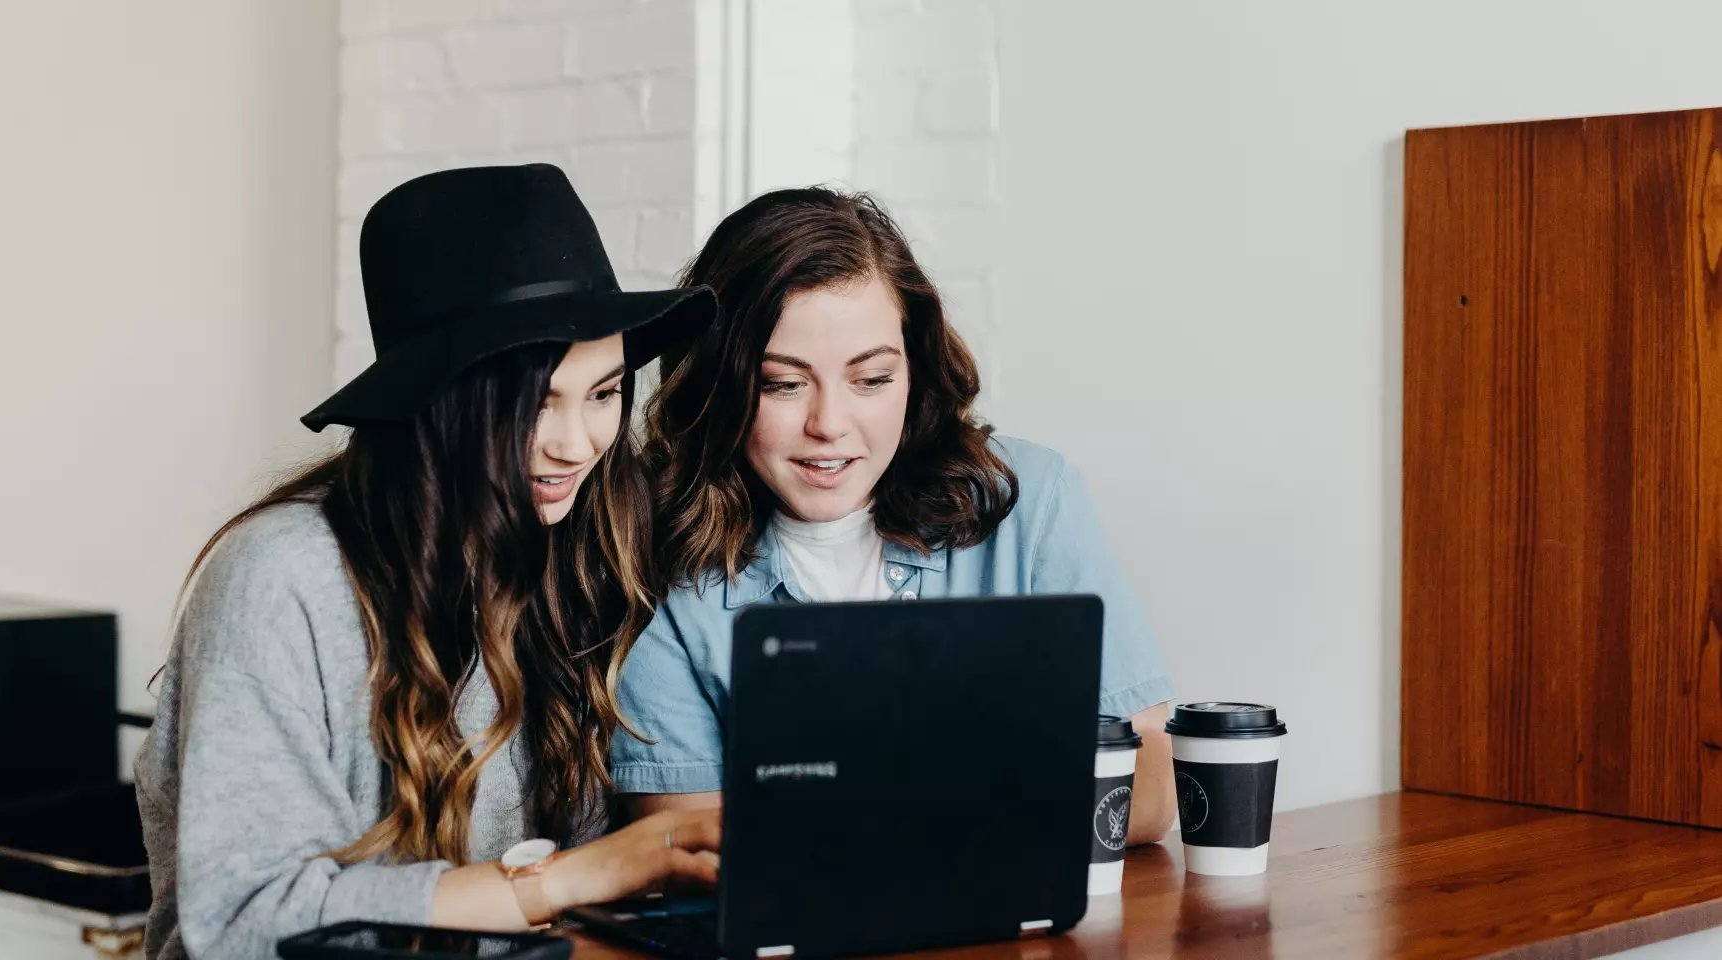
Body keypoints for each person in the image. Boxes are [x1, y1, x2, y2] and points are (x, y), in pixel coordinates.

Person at [134, 165, 724, 959]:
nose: (577, 443)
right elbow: (245, 917)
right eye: (537, 402)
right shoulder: (282, 577)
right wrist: (567, 880)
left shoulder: (577, 555)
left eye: (605, 392)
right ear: (439, 400)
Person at [612, 187, 1178, 843]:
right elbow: (684, 848)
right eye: (782, 384)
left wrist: (847, 811)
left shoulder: (1027, 498)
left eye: (871, 379)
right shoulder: (656, 554)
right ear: (719, 386)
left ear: (915, 371)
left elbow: (1148, 793)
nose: (829, 425)